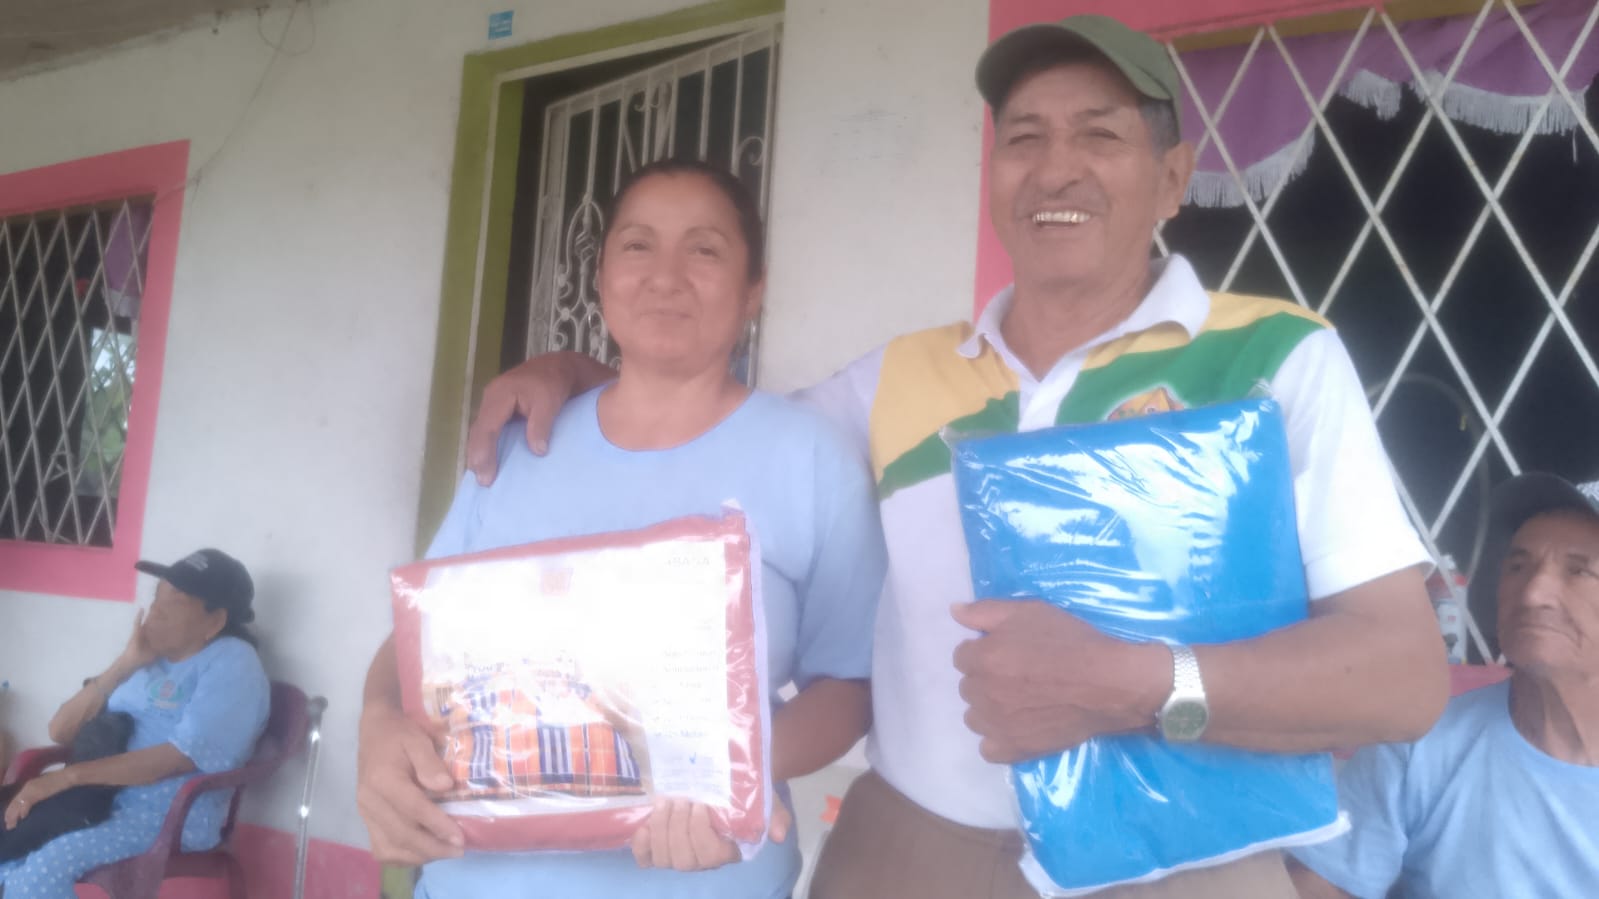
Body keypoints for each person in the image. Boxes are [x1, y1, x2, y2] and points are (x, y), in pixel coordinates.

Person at [466, 15, 1451, 898]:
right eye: (1023, 138)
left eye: (1099, 135)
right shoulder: (895, 379)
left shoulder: (1275, 358)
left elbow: (1403, 679)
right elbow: (707, 427)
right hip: (910, 852)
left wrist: (1134, 682)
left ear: (1171, 176)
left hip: (1184, 862)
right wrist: (577, 374)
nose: (1055, 169)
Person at [356, 158, 886, 899]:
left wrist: (731, 771)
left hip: (700, 877)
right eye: (638, 245)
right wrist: (377, 721)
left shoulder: (810, 455)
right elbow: (419, 643)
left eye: (704, 249)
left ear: (752, 289)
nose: (666, 276)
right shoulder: (518, 445)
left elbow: (850, 683)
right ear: (601, 277)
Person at [1289, 472, 1599, 899]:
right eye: (1518, 566)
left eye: (1578, 570)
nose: (1533, 594)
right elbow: (1321, 888)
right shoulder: (1419, 748)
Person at [0, 549, 270, 898]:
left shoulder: (233, 663)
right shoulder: (146, 660)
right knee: (9, 856)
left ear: (214, 621)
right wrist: (125, 664)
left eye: (175, 602)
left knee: (42, 869)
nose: (156, 610)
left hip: (165, 816)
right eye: (157, 596)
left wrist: (65, 779)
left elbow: (178, 757)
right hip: (93, 803)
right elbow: (60, 730)